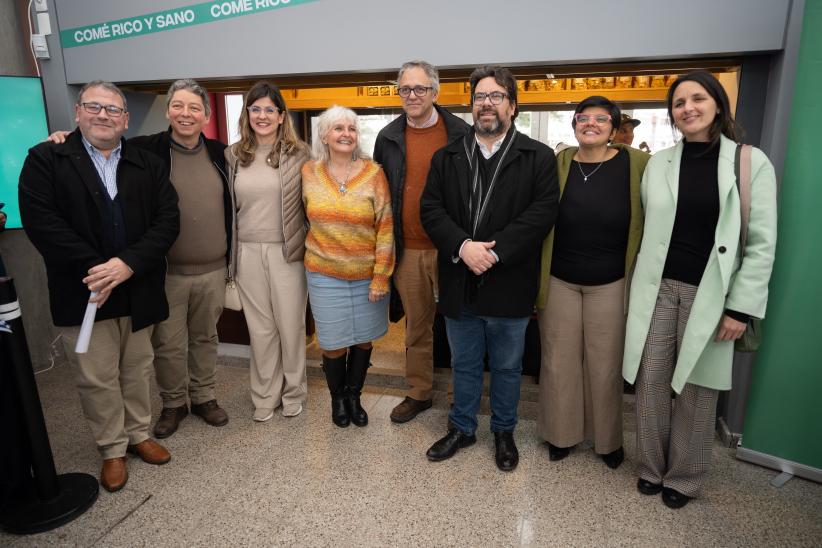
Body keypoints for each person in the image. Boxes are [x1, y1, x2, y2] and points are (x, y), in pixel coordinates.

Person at [623, 70, 777, 508]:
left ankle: (685, 478)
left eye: (697, 98)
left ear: (717, 105)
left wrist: (740, 308)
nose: (687, 108)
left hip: (711, 295)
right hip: (656, 290)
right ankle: (651, 468)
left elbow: (762, 242)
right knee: (650, 383)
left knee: (697, 388)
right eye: (678, 102)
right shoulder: (660, 163)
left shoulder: (748, 161)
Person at [47, 79, 232, 439]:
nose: (186, 113)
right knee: (167, 343)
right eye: (178, 105)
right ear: (167, 111)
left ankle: (204, 396)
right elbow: (98, 139)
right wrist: (62, 137)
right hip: (164, 271)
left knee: (206, 337)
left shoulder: (220, 154)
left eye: (195, 107)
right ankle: (174, 403)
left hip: (214, 268)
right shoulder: (147, 151)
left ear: (206, 115)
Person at [19, 81, 180, 492]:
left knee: (137, 368)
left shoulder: (148, 163)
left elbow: (167, 222)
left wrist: (127, 264)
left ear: (126, 120)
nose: (103, 115)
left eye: (113, 110)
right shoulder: (46, 159)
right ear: (77, 112)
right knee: (96, 375)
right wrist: (98, 268)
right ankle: (112, 449)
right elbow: (43, 224)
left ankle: (139, 434)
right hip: (84, 290)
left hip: (137, 286)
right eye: (94, 107)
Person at [420, 66, 559, 471]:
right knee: (462, 363)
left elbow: (542, 214)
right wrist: (463, 247)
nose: (486, 103)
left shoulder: (538, 157)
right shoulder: (446, 156)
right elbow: (431, 210)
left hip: (510, 282)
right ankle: (462, 428)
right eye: (480, 97)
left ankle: (503, 431)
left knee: (506, 367)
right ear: (471, 105)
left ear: (512, 106)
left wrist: (494, 253)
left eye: (496, 96)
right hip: (460, 280)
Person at [535, 96, 650, 469]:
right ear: (573, 125)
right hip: (560, 280)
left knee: (605, 365)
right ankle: (560, 435)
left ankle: (608, 442)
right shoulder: (560, 163)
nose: (591, 124)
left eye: (601, 119)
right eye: (583, 118)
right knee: (558, 362)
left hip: (612, 282)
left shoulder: (637, 165)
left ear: (614, 129)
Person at [373, 60, 469, 423]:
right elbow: (382, 193)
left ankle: (462, 396)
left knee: (461, 325)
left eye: (420, 89)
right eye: (406, 89)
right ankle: (419, 392)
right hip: (408, 249)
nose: (412, 96)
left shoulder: (460, 132)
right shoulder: (388, 137)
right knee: (417, 326)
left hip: (452, 249)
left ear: (435, 91)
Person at [302, 105, 395, 428]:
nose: (345, 134)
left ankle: (354, 396)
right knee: (332, 342)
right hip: (323, 275)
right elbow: (301, 219)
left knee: (363, 339)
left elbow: (385, 228)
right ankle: (337, 399)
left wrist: (381, 277)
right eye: (338, 128)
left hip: (368, 276)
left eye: (351, 129)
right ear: (325, 135)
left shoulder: (374, 173)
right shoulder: (308, 173)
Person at [226, 81, 310, 422]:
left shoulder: (300, 154)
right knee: (260, 329)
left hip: (287, 252)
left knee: (290, 326)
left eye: (269, 110)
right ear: (248, 114)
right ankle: (264, 395)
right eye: (255, 109)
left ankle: (294, 392)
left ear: (281, 116)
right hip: (246, 253)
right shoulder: (232, 154)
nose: (262, 115)